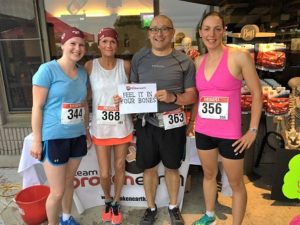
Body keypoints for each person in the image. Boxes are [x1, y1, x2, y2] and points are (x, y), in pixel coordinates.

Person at [190, 11, 262, 225]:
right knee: (209, 175)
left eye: (217, 28)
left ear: (224, 31)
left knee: (236, 183)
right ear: (200, 33)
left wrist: (253, 130)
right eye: (207, 29)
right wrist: (193, 122)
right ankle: (210, 216)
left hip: (230, 134)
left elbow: (257, 94)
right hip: (204, 131)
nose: (211, 34)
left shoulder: (239, 56)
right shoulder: (198, 61)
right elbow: (199, 97)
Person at [130, 15, 197, 225]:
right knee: (148, 168)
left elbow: (192, 96)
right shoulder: (139, 58)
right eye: (155, 29)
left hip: (174, 123)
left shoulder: (184, 61)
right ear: (149, 33)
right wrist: (123, 99)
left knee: (172, 167)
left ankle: (173, 206)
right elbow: (133, 92)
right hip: (146, 124)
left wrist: (173, 97)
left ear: (172, 32)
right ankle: (150, 208)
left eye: (164, 29)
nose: (159, 33)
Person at [31, 27, 90, 225]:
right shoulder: (47, 70)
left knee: (68, 182)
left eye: (81, 45)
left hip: (77, 135)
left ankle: (66, 218)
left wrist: (87, 130)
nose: (77, 48)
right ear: (62, 45)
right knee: (56, 191)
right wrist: (37, 141)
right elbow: (37, 107)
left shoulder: (82, 73)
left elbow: (83, 104)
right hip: (54, 137)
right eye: (72, 43)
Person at [84, 27, 133, 225]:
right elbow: (85, 95)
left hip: (122, 125)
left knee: (120, 166)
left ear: (117, 45)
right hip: (100, 127)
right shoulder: (90, 66)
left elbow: (133, 93)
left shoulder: (126, 66)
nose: (108, 45)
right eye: (104, 41)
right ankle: (106, 199)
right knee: (104, 172)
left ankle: (117, 202)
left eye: (112, 42)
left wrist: (126, 99)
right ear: (99, 45)